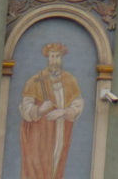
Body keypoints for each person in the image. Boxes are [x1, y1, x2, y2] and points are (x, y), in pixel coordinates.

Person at [18, 39, 85, 179]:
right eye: (52, 56)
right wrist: (40, 110)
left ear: (61, 58)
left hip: (61, 130)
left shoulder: (69, 80)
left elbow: (78, 103)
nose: (54, 60)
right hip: (40, 133)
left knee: (57, 162)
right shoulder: (35, 80)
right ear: (48, 58)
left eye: (57, 56)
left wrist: (64, 112)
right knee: (38, 166)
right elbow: (25, 107)